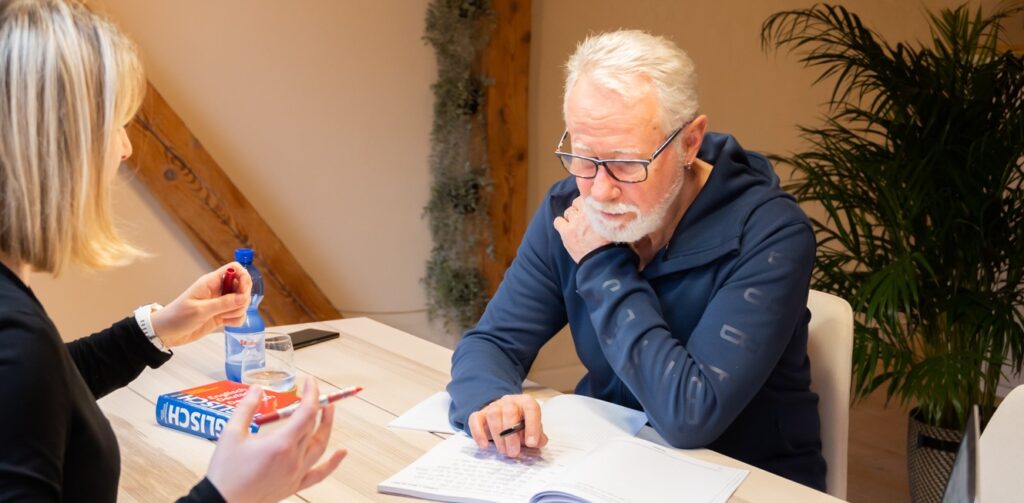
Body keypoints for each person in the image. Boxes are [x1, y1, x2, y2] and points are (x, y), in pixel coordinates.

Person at [447, 30, 827, 490]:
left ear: (690, 142)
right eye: (583, 158)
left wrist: (601, 264)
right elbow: (492, 342)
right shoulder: (569, 208)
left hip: (748, 482)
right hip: (612, 465)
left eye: (627, 164)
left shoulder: (770, 233)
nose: (600, 191)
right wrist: (491, 402)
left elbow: (690, 417)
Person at [0, 1, 345, 501]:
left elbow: (40, 391)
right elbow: (28, 375)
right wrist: (224, 493)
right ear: (58, 147)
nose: (125, 148)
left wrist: (153, 332)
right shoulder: (14, 337)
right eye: (115, 125)